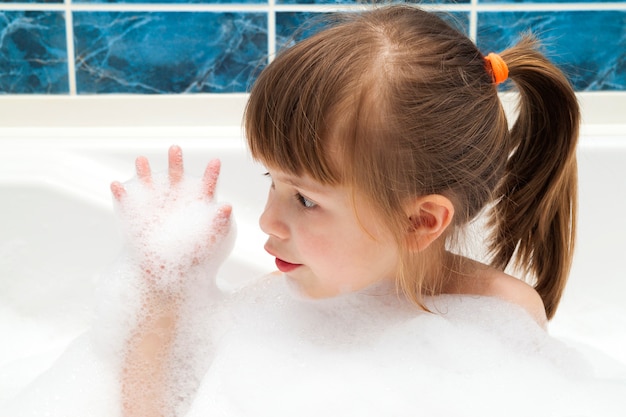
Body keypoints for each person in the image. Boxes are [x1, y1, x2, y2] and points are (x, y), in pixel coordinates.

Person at [111, 4, 579, 416]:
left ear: (418, 222)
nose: (266, 221)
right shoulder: (278, 304)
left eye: (306, 200)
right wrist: (166, 287)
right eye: (269, 180)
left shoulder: (500, 317)